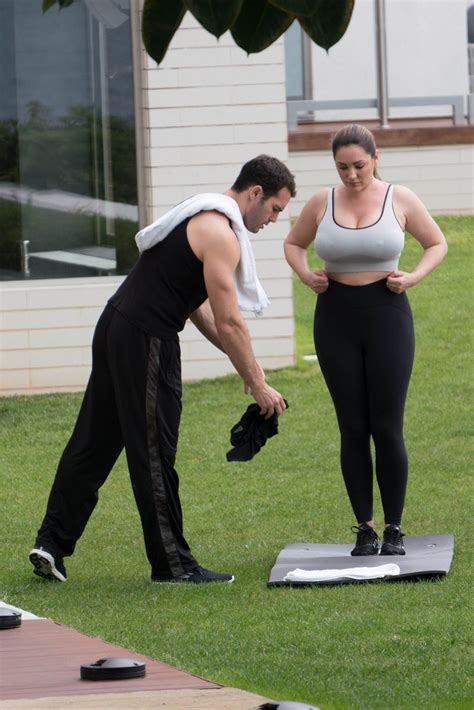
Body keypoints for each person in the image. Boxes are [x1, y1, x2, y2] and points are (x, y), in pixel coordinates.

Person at [30, 155, 295, 584]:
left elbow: (197, 309)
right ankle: (173, 565)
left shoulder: (197, 214)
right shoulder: (220, 234)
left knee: (94, 440)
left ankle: (50, 544)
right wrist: (257, 382)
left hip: (116, 324)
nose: (273, 219)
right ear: (256, 193)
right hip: (146, 338)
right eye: (276, 209)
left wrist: (250, 372)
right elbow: (230, 321)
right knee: (154, 454)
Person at [284, 124, 447, 556]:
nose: (351, 175)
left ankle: (394, 528)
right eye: (342, 167)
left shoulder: (401, 198)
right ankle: (364, 528)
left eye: (359, 165)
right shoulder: (323, 201)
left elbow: (436, 243)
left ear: (376, 158)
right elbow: (294, 243)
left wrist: (412, 276)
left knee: (386, 426)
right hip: (335, 316)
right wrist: (306, 275)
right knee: (352, 427)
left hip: (387, 315)